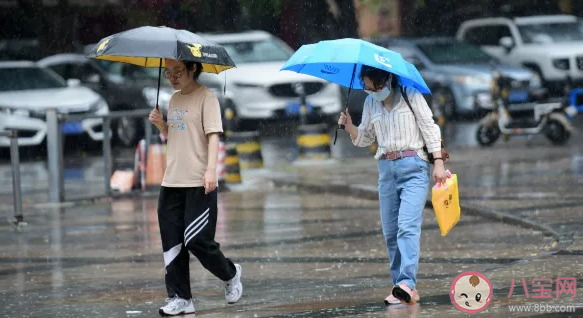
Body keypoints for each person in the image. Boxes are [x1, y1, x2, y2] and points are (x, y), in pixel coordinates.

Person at [338, 65, 447, 305]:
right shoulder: (370, 103)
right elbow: (365, 139)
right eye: (366, 87)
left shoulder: (410, 94)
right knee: (390, 232)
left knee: (407, 227)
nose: (371, 91)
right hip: (386, 170)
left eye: (374, 86)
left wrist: (438, 162)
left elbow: (430, 129)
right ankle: (402, 286)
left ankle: (407, 282)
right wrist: (350, 128)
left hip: (414, 167)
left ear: (386, 80)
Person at [149, 59, 242, 316]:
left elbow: (213, 135)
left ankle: (230, 273)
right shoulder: (174, 99)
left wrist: (211, 170)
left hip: (198, 181)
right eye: (168, 73)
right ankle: (181, 298)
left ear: (193, 69)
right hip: (171, 181)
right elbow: (176, 135)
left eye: (177, 72)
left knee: (197, 241)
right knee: (172, 244)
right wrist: (161, 125)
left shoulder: (207, 98)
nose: (172, 77)